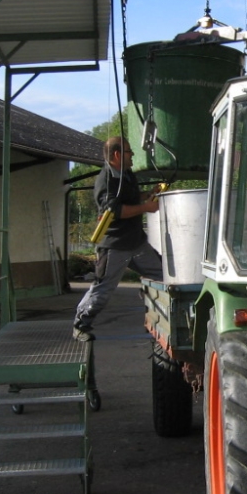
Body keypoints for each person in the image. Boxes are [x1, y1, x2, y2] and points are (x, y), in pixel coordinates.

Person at [72, 137, 163, 342]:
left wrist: (147, 194)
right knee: (103, 289)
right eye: (129, 152)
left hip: (136, 242)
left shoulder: (127, 174)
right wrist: (146, 207)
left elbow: (129, 199)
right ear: (116, 155)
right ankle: (80, 324)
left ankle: (157, 313)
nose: (132, 156)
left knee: (162, 273)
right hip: (114, 245)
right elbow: (114, 211)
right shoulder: (106, 180)